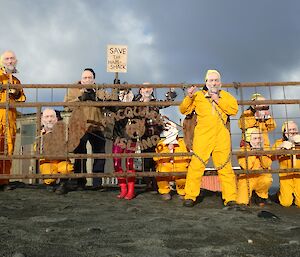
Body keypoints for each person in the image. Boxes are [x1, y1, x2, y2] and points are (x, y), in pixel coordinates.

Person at [179, 69, 238, 207]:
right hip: (203, 136)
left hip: (221, 136)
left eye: (216, 80)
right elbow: (184, 110)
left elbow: (233, 110)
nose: (214, 83)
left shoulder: (226, 96)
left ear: (221, 83)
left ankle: (230, 198)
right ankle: (190, 196)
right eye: (211, 80)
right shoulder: (198, 95)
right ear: (206, 82)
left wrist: (218, 100)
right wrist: (189, 97)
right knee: (196, 165)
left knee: (225, 167)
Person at [65, 68, 106, 190]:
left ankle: (97, 183)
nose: (87, 80)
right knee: (80, 153)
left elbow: (108, 102)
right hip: (79, 125)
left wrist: (96, 97)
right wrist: (80, 97)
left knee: (99, 154)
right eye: (85, 78)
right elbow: (66, 105)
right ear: (81, 79)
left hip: (97, 125)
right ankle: (80, 182)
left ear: (94, 79)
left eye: (89, 78)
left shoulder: (100, 89)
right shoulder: (73, 89)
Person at [0, 50, 26, 191]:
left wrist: (15, 92)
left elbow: (22, 97)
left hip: (10, 119)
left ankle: (3, 181)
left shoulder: (16, 80)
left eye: (12, 59)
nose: (10, 61)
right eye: (7, 58)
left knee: (8, 150)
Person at [38, 108, 73, 194]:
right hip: (47, 160)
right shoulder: (40, 133)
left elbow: (71, 145)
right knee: (49, 176)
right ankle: (50, 184)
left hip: (61, 159)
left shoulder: (65, 132)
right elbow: (37, 148)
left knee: (66, 168)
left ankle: (63, 183)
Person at [154, 119, 190, 200]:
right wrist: (167, 149)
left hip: (179, 167)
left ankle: (182, 192)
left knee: (182, 177)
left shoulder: (183, 143)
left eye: (172, 129)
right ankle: (164, 191)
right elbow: (156, 157)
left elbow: (188, 157)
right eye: (167, 130)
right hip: (166, 167)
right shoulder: (161, 143)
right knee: (161, 174)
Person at [237, 128, 273, 206]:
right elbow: (247, 166)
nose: (258, 141)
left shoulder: (265, 149)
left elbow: (266, 165)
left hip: (261, 176)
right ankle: (250, 195)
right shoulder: (242, 150)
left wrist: (261, 153)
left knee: (267, 180)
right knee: (241, 203)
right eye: (255, 138)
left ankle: (260, 195)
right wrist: (253, 152)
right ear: (249, 140)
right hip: (246, 178)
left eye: (259, 138)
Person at [112, 87, 136, 200]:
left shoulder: (136, 105)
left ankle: (131, 190)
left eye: (127, 93)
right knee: (116, 163)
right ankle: (123, 188)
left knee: (129, 163)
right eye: (121, 93)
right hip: (118, 137)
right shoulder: (115, 105)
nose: (124, 96)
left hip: (131, 137)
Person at [272, 121, 300, 207]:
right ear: (284, 132)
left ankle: (295, 197)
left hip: (299, 175)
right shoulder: (279, 142)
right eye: (289, 129)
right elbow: (271, 157)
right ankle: (278, 195)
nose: (292, 131)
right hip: (285, 175)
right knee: (286, 203)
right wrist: (281, 147)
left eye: (294, 129)